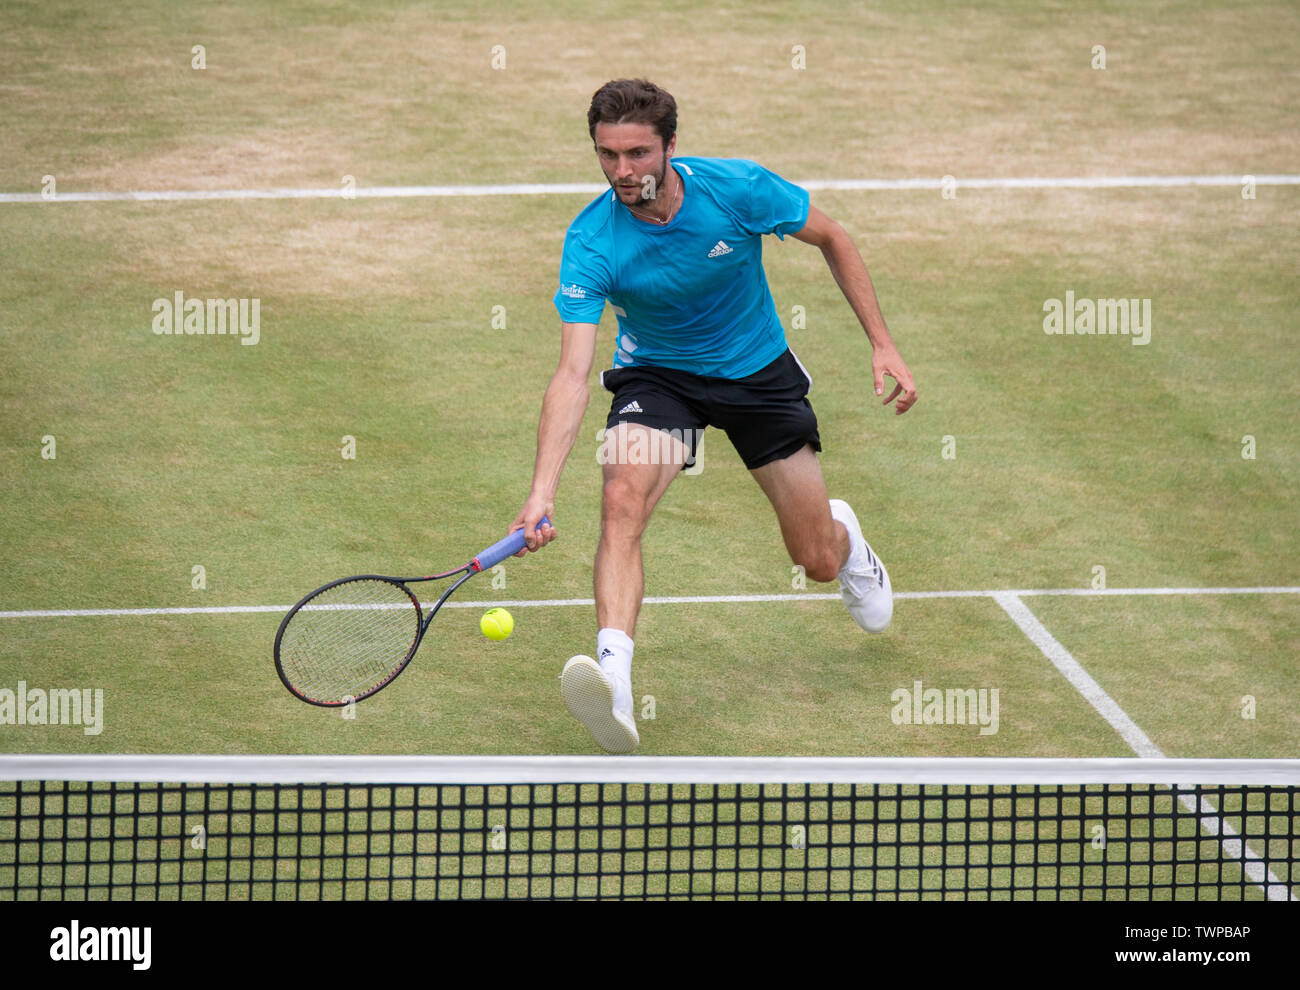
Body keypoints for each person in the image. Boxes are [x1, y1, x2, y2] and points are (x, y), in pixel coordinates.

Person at [511, 79, 916, 753]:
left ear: (672, 145)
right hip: (659, 376)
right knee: (621, 498)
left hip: (757, 373)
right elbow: (572, 373)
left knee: (813, 559)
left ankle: (842, 538)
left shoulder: (737, 190)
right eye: (608, 156)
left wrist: (882, 342)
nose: (623, 171)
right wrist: (541, 491)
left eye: (637, 153)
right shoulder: (591, 240)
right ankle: (614, 678)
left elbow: (833, 237)